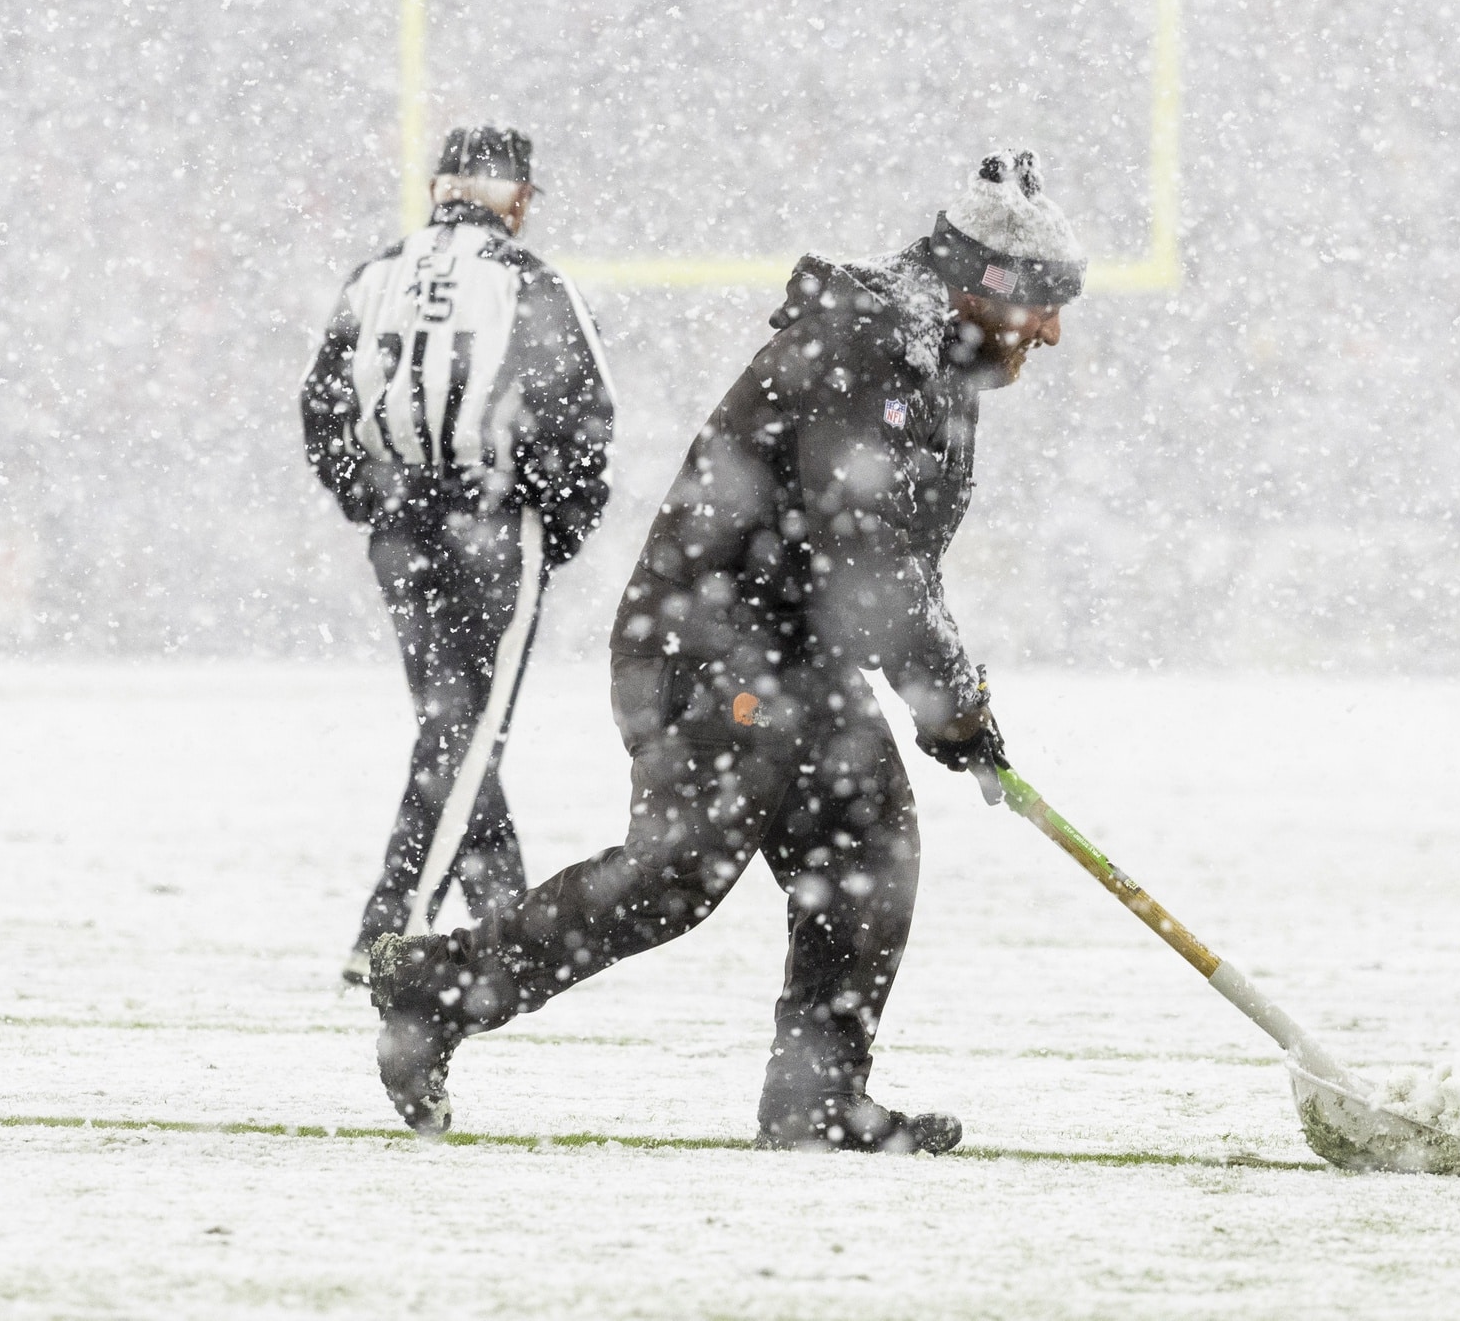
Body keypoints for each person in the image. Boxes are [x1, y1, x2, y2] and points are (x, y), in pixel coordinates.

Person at [367, 149, 1085, 1152]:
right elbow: (868, 560)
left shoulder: (931, 358)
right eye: (1043, 305)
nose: (1050, 331)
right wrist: (950, 703)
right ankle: (435, 993)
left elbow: (887, 571)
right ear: (986, 287)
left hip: (792, 655)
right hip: (709, 643)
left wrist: (949, 702)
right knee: (678, 877)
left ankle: (815, 1101)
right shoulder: (874, 348)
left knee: (868, 851)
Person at [302, 125, 615, 986]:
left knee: (452, 726)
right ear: (515, 198)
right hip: (488, 516)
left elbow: (321, 402)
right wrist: (555, 523)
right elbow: (584, 409)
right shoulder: (525, 280)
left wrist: (369, 495)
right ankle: (391, 932)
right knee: (466, 734)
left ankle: (504, 915)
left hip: (400, 522)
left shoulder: (376, 275)